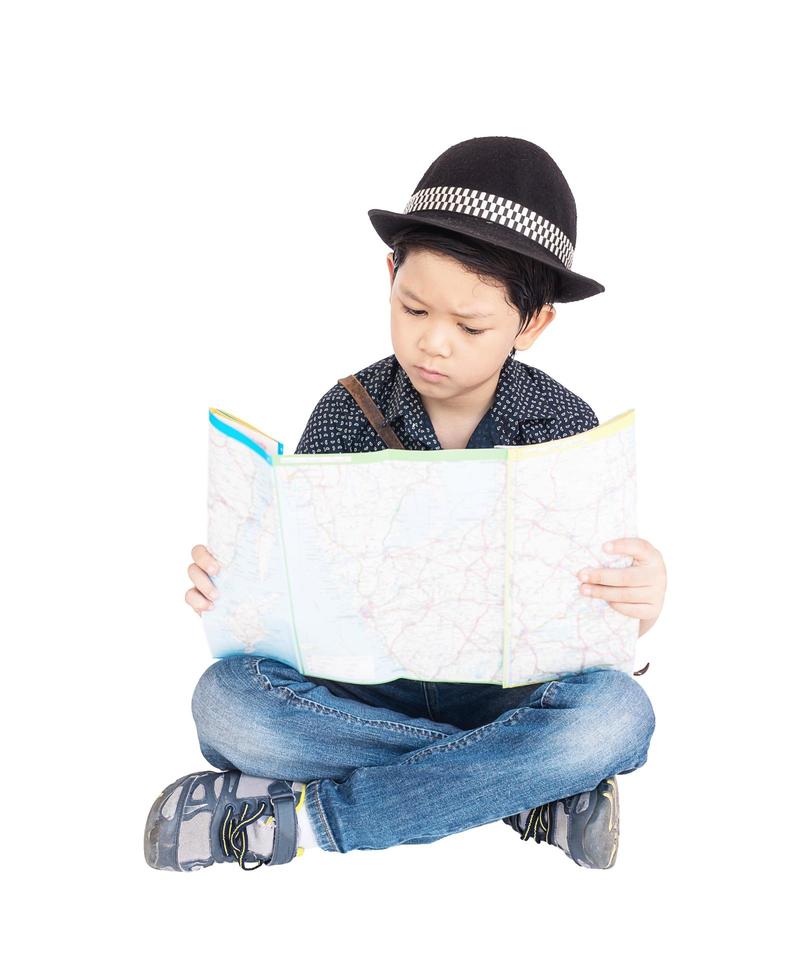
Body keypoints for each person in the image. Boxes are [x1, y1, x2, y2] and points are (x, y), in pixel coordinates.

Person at [144, 136, 666, 873]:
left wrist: (640, 603)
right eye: (412, 307)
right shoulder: (347, 411)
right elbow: (296, 577)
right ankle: (520, 791)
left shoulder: (561, 427)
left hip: (505, 700)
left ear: (533, 323)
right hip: (359, 693)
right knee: (226, 705)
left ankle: (311, 823)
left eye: (470, 326)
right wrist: (237, 589)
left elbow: (590, 621)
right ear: (388, 273)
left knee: (616, 719)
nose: (433, 343)